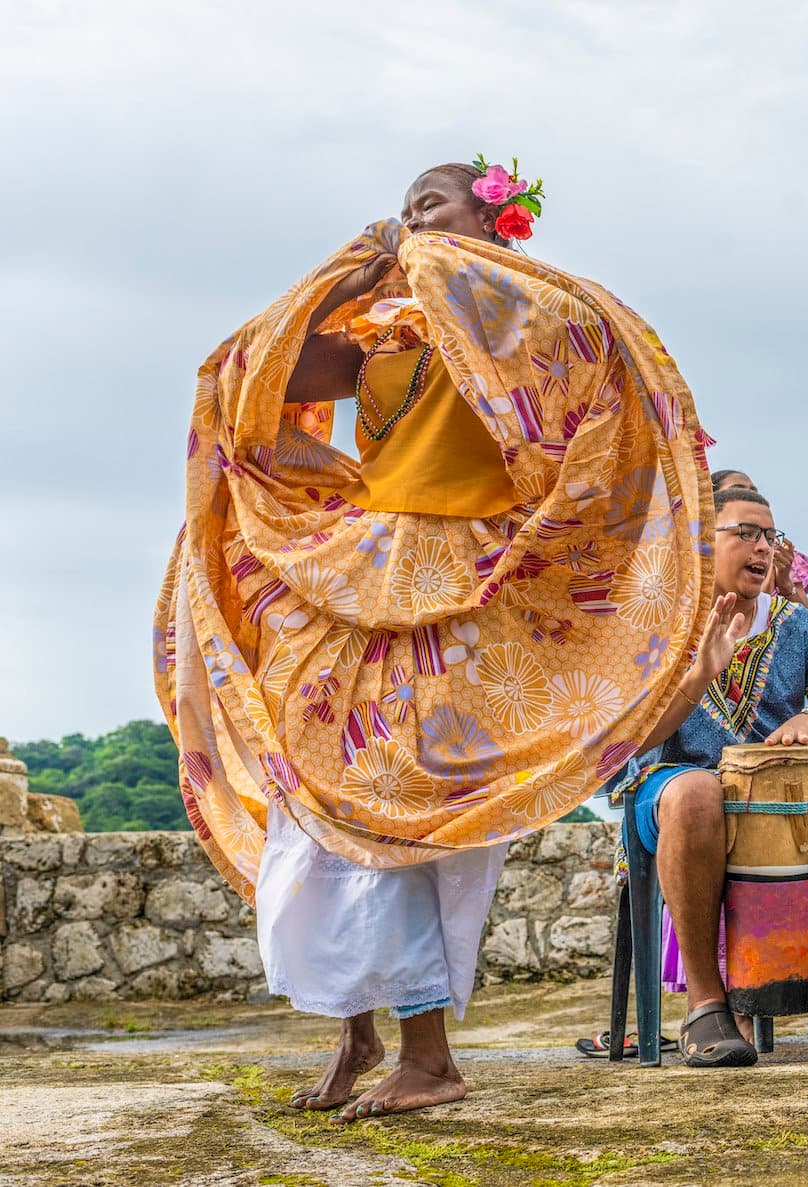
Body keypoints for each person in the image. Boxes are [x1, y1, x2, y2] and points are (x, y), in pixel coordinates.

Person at [153, 157, 712, 1121]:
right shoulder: (383, 334)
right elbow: (252, 374)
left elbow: (585, 379)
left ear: (496, 221)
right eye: (405, 203)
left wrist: (449, 266)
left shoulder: (521, 318)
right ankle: (357, 1031)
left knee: (399, 811)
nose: (410, 217)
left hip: (466, 589)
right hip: (366, 570)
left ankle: (430, 1055)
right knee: (325, 791)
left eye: (434, 202)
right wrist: (348, 274)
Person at [615, 486, 808, 1067]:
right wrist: (699, 676)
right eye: (745, 532)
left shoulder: (800, 628)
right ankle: (706, 1005)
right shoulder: (656, 622)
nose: (762, 547)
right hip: (676, 793)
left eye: (769, 535)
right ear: (699, 544)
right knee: (697, 790)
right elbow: (629, 741)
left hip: (790, 801)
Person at [712, 469, 808, 609]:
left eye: (754, 490)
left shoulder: (783, 556)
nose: (764, 547)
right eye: (746, 533)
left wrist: (785, 583)